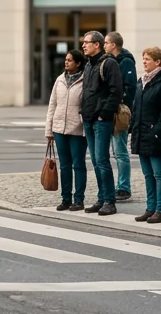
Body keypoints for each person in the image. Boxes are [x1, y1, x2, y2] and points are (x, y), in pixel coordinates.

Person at [130, 47, 161, 223]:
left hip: (157, 136)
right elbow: (136, 107)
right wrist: (134, 127)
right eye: (143, 58)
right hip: (141, 133)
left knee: (159, 173)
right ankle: (151, 208)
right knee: (148, 174)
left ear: (158, 62)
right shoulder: (141, 81)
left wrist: (157, 131)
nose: (144, 61)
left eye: (148, 59)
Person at [79, 31, 121, 216]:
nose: (83, 46)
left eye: (86, 42)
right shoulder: (89, 65)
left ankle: (109, 201)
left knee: (103, 161)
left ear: (97, 44)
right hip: (88, 118)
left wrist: (104, 114)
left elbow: (116, 91)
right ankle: (101, 197)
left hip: (101, 120)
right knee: (96, 161)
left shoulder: (109, 63)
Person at [45, 49, 88, 212]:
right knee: (64, 166)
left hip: (77, 129)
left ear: (78, 63)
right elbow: (52, 105)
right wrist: (49, 130)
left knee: (78, 164)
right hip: (59, 129)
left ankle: (79, 199)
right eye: (66, 60)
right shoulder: (59, 80)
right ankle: (66, 198)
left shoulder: (85, 80)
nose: (66, 62)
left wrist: (84, 126)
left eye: (70, 60)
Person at [105, 32, 137, 202]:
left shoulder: (125, 61)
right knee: (115, 151)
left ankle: (124, 187)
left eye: (106, 43)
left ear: (114, 45)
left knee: (120, 151)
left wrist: (120, 104)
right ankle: (119, 186)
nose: (104, 45)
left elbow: (129, 88)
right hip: (111, 110)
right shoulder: (111, 60)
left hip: (120, 112)